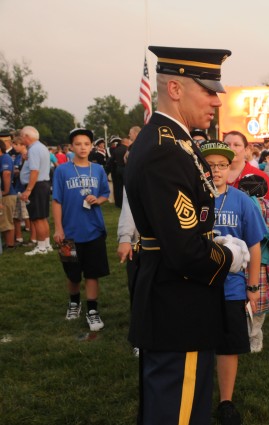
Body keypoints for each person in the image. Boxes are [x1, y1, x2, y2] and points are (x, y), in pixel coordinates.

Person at [124, 45, 250, 425]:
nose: (217, 100)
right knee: (178, 413)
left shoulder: (176, 141)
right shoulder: (166, 149)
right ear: (175, 89)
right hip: (178, 303)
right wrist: (229, 258)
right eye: (208, 90)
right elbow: (182, 249)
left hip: (176, 300)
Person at [199, 141, 266, 425]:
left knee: (227, 345)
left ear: (230, 168)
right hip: (198, 286)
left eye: (221, 165)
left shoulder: (241, 200)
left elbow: (254, 246)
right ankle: (197, 397)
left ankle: (226, 400)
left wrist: (252, 287)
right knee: (198, 342)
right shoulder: (192, 199)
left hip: (232, 286)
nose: (215, 171)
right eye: (209, 165)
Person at [52, 128, 110, 331]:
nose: (83, 147)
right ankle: (74, 302)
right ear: (71, 147)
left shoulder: (98, 169)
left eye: (86, 143)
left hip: (93, 230)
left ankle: (92, 310)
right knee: (73, 274)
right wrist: (59, 228)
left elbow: (104, 193)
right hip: (69, 233)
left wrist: (98, 200)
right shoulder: (62, 170)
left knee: (92, 273)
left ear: (92, 145)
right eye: (78, 144)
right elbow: (57, 200)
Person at [19, 125, 53, 256]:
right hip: (43, 184)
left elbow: (34, 171)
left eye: (22, 136)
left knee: (37, 218)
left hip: (36, 186)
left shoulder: (34, 150)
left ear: (27, 137)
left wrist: (28, 190)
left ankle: (41, 247)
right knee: (43, 217)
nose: (21, 138)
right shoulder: (42, 147)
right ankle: (46, 244)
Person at [222, 130, 269, 205]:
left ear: (246, 149)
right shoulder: (213, 174)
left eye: (236, 145)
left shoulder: (259, 176)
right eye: (227, 144)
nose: (231, 148)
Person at [1, 142, 17, 250]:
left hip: (7, 194)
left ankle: (10, 244)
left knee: (7, 220)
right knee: (4, 220)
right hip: (6, 193)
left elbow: (6, 174)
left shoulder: (5, 158)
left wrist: (5, 191)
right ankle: (7, 243)